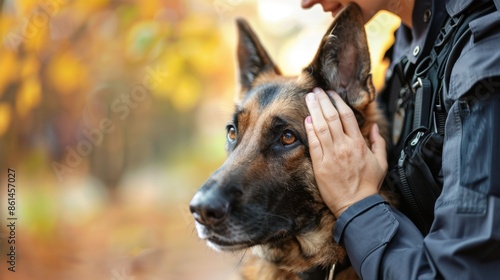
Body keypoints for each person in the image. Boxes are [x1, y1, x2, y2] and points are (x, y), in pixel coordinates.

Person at [301, 0, 500, 279]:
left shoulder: (486, 54)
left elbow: (458, 273)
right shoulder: (406, 44)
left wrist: (356, 205)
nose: (305, 3)